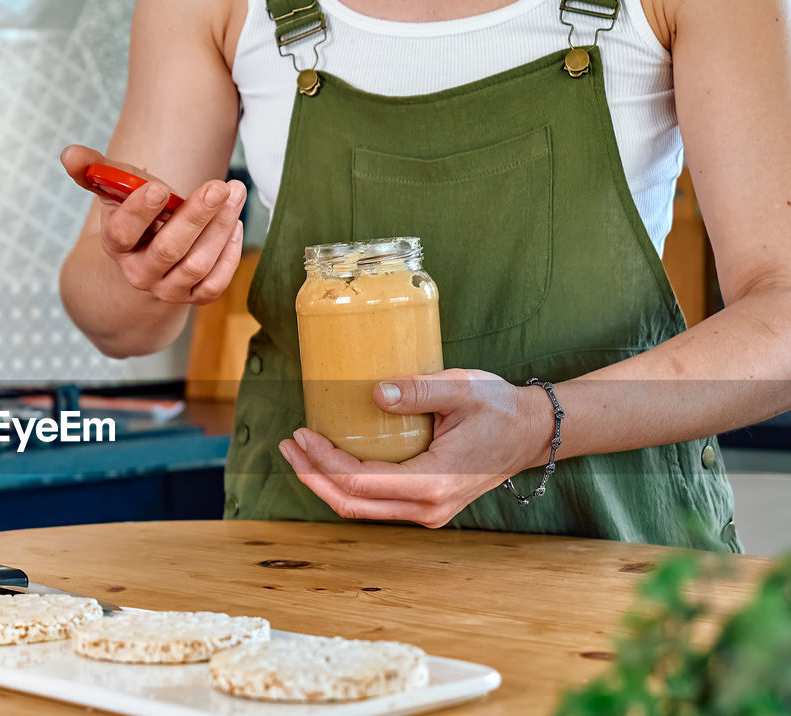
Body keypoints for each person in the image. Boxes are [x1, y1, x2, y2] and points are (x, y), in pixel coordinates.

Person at [58, 0, 791, 550]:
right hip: (309, 574)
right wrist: (144, 272)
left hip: (611, 566)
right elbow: (112, 321)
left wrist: (539, 424)